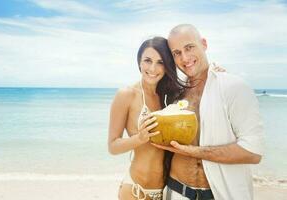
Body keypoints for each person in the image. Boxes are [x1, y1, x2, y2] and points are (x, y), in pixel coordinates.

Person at [152, 24, 265, 200]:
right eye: (177, 53)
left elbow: (253, 152)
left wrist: (192, 151)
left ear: (204, 44)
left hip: (219, 195)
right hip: (176, 192)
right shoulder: (174, 94)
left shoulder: (233, 87)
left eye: (189, 47)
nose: (185, 57)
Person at [108, 37, 181, 200]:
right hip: (136, 191)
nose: (153, 68)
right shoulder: (127, 95)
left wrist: (214, 74)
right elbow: (113, 146)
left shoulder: (169, 97)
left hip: (166, 192)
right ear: (139, 62)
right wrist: (140, 138)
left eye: (160, 62)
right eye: (147, 60)